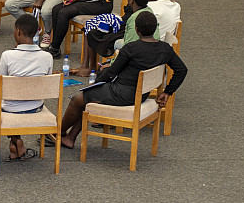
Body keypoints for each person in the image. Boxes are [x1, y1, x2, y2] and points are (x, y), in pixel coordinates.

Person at [56, 11, 187, 149]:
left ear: (136, 30)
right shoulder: (165, 49)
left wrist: (96, 82)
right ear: (155, 29)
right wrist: (167, 92)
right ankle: (70, 138)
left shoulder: (131, 48)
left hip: (121, 93)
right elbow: (182, 70)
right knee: (90, 97)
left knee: (78, 99)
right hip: (141, 94)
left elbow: (112, 73)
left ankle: (59, 132)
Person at [0, 14, 53, 161]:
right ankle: (17, 143)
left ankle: (15, 140)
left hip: (10, 107)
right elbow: (46, 81)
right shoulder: (47, 57)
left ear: (17, 32)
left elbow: (1, 80)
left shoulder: (7, 55)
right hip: (35, 106)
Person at [74, 0, 150, 77]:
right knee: (90, 27)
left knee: (93, 31)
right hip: (123, 21)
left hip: (124, 26)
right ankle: (89, 66)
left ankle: (91, 67)